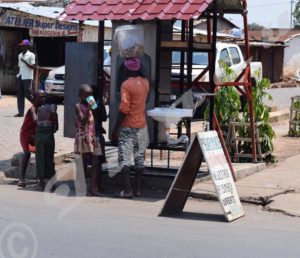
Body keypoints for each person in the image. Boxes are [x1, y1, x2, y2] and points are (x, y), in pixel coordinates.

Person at [112, 58, 149, 198]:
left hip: (128, 126)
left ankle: (128, 190)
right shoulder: (145, 83)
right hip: (142, 126)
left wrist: (116, 128)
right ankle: (138, 189)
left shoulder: (126, 85)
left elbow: (124, 108)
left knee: (125, 159)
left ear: (126, 69)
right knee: (139, 158)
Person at [75, 84, 102, 196]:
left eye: (90, 95)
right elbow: (82, 121)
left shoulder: (91, 106)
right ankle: (81, 188)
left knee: (95, 162)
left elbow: (98, 117)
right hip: (83, 137)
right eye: (86, 96)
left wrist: (96, 107)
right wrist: (89, 109)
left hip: (92, 136)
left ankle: (93, 188)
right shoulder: (78, 106)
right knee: (81, 163)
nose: (89, 98)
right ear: (80, 96)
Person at [18, 90, 46, 187]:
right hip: (26, 136)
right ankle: (21, 179)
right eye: (41, 97)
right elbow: (35, 120)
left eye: (44, 96)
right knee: (27, 153)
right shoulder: (32, 109)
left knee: (39, 154)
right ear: (35, 99)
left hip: (35, 136)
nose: (43, 99)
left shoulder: (41, 108)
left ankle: (38, 178)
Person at [35, 96, 59, 190]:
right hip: (48, 133)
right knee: (49, 158)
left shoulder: (40, 108)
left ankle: (40, 183)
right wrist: (56, 125)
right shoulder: (53, 107)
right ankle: (51, 184)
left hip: (38, 133)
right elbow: (55, 120)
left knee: (39, 158)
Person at [92, 85, 107, 191]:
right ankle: (97, 186)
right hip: (95, 135)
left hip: (91, 135)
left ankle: (95, 185)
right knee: (98, 162)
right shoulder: (95, 103)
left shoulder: (85, 103)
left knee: (94, 161)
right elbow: (104, 118)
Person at [15, 39, 36, 117]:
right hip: (20, 76)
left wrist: (25, 61)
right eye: (21, 46)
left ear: (27, 46)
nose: (22, 47)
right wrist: (17, 76)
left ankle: (37, 104)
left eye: (23, 46)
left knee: (27, 94)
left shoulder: (31, 55)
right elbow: (19, 66)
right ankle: (20, 112)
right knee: (20, 94)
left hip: (27, 76)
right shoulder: (19, 55)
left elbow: (33, 67)